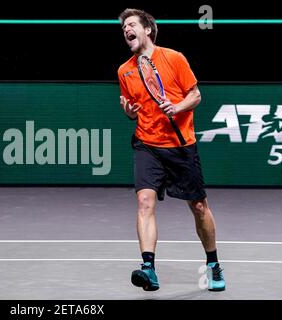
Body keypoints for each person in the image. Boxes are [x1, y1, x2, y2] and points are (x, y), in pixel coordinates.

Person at [117, 8, 226, 292]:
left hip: (180, 146)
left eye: (131, 25)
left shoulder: (174, 58)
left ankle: (213, 263)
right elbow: (133, 109)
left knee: (199, 206)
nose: (126, 30)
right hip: (146, 144)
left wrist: (176, 107)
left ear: (147, 30)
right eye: (123, 27)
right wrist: (129, 112)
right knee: (144, 203)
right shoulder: (125, 70)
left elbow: (196, 95)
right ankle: (148, 268)